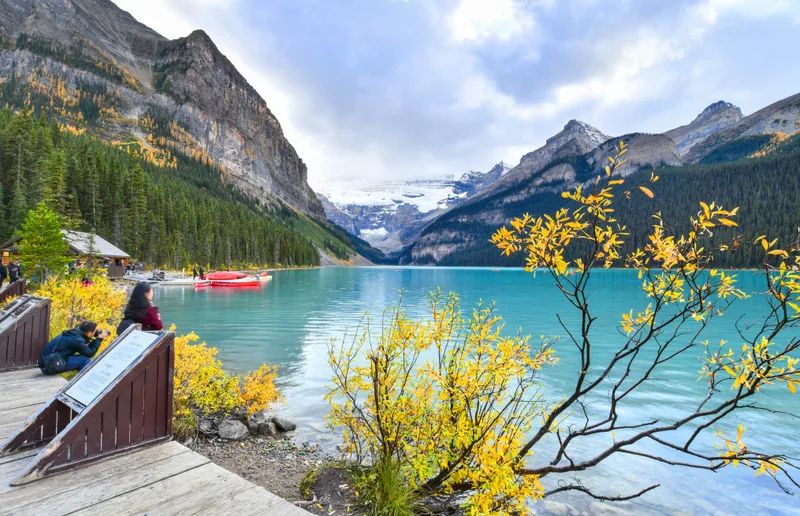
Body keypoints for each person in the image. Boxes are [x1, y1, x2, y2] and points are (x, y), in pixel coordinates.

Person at [39, 321, 109, 375]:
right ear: (89, 333)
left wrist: (96, 339)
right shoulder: (76, 340)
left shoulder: (73, 333)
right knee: (85, 360)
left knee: (83, 356)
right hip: (49, 367)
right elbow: (90, 353)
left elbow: (86, 350)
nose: (95, 333)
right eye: (94, 332)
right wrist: (99, 339)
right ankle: (85, 382)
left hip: (46, 362)